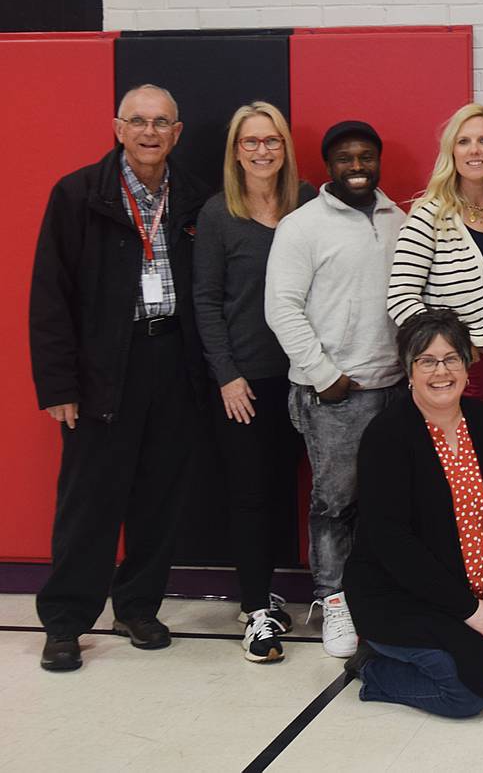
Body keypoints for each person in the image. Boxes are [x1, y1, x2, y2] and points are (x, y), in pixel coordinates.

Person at [29, 84, 207, 671]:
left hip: (173, 361)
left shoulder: (194, 200)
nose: (150, 132)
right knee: (90, 501)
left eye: (161, 122)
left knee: (160, 496)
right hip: (105, 366)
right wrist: (59, 386)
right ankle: (65, 623)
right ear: (117, 128)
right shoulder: (79, 194)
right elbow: (50, 297)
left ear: (177, 132)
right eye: (138, 121)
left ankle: (136, 607)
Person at [343, 309, 483, 717]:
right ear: (409, 370)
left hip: (480, 591)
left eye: (451, 358)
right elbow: (393, 543)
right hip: (402, 597)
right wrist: (468, 610)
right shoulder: (386, 435)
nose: (441, 371)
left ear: (466, 364)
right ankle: (374, 666)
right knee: (473, 693)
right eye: (426, 360)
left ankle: (464, 649)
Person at [264, 120, 405, 658]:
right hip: (336, 395)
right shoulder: (301, 227)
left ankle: (375, 597)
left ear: (378, 160)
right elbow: (281, 309)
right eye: (345, 158)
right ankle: (333, 601)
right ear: (328, 166)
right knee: (335, 503)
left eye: (366, 156)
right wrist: (325, 375)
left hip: (397, 387)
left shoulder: (400, 219)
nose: (356, 166)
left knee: (385, 505)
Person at [195, 101, 316, 663]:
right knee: (252, 497)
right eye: (251, 142)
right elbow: (207, 302)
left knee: (326, 494)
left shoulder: (312, 204)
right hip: (247, 383)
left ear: (285, 147)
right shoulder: (219, 215)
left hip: (308, 379)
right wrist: (227, 376)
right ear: (236, 151)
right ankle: (256, 609)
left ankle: (333, 599)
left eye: (272, 141)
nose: (262, 150)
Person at [388, 103, 483, 461]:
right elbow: (401, 298)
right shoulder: (429, 215)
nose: (475, 150)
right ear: (452, 152)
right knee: (459, 471)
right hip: (458, 369)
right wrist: (454, 347)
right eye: (464, 141)